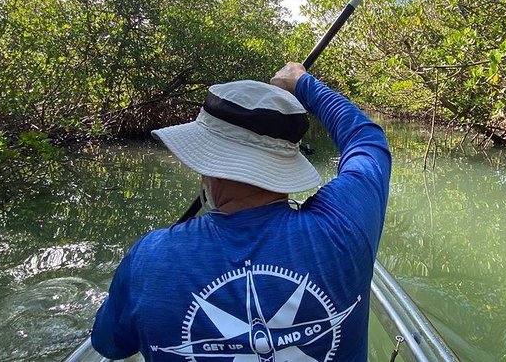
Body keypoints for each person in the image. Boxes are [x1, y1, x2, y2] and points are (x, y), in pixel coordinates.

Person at [91, 62, 392, 361]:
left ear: (209, 166)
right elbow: (366, 140)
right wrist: (302, 81)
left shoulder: (149, 258)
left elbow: (109, 345)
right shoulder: (344, 227)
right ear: (286, 162)